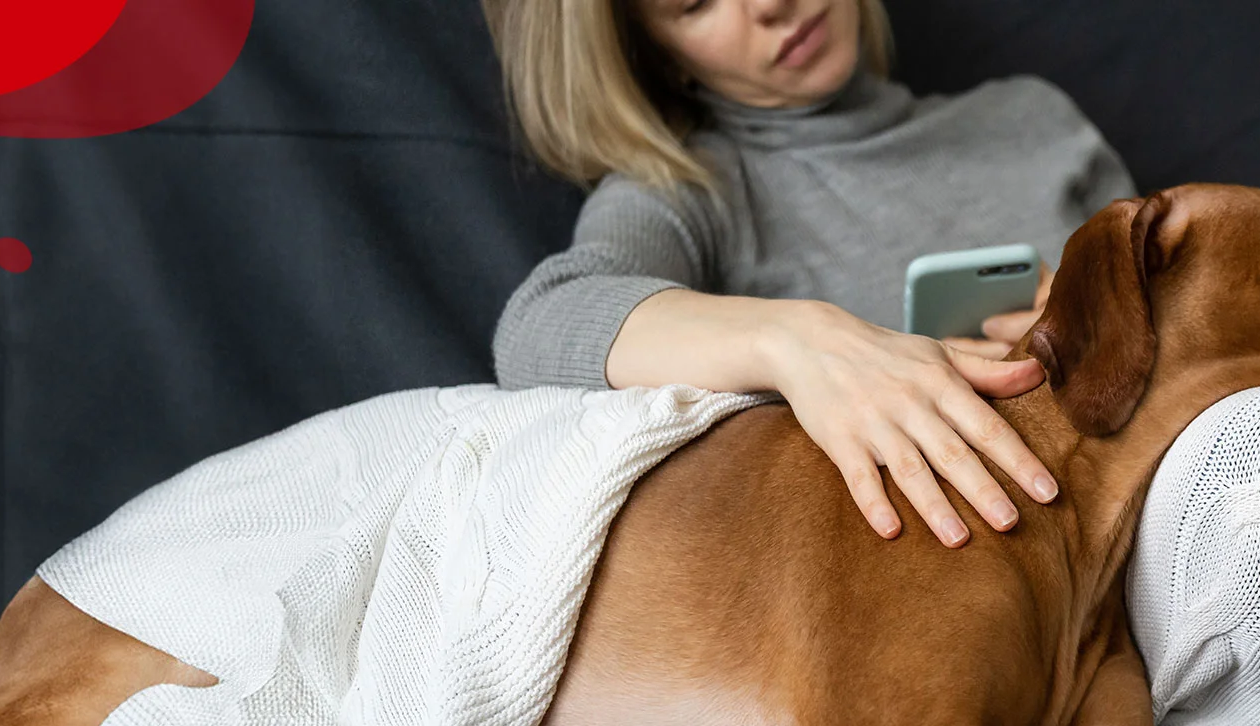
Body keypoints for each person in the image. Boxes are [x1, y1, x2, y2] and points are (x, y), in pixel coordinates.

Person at [483, 0, 1136, 548]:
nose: (768, 5)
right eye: (694, 2)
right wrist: (798, 342)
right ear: (659, 55)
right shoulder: (690, 191)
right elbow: (543, 322)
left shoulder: (1035, 121)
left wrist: (1124, 322)